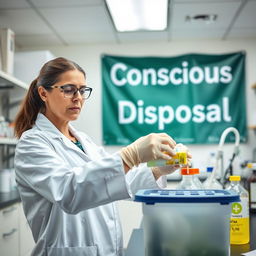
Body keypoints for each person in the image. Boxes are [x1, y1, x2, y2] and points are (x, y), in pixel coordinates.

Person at [14, 57, 190, 256]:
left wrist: (157, 169)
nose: (78, 97)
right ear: (43, 93)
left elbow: (116, 181)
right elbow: (69, 192)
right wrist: (130, 154)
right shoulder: (32, 143)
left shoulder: (84, 141)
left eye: (82, 90)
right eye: (69, 89)